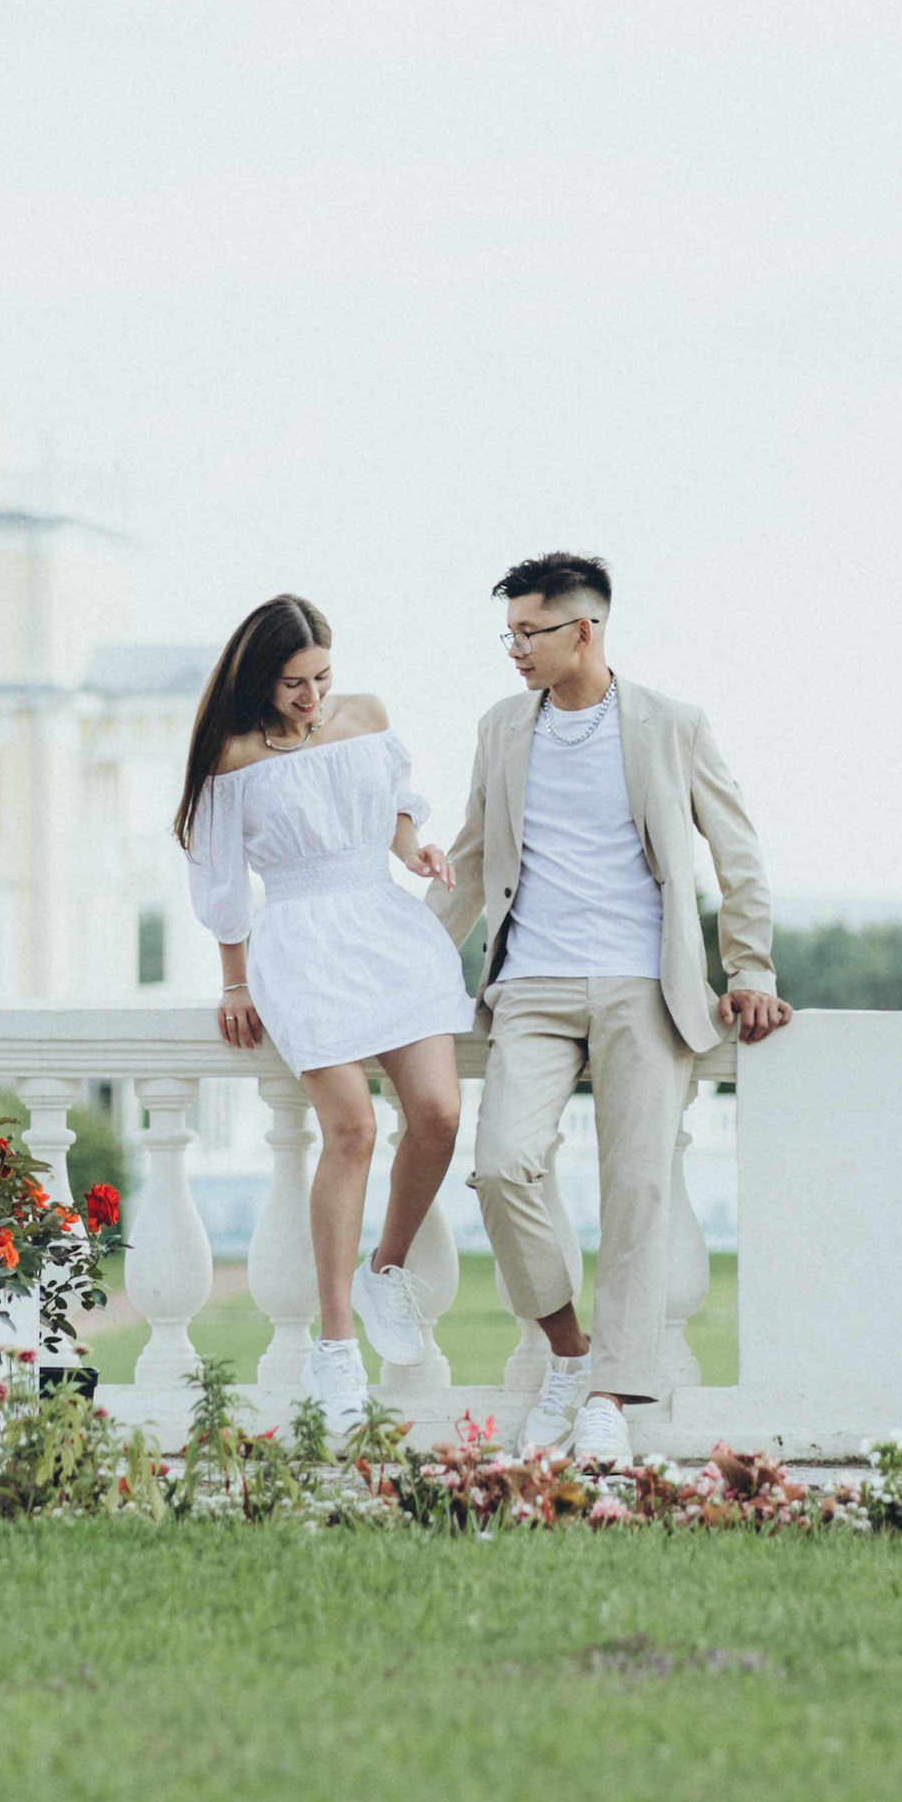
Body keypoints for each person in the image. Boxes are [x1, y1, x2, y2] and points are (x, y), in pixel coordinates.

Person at [431, 550, 789, 1467]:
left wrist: (750, 968)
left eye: (528, 632)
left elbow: (736, 852)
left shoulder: (673, 725)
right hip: (532, 986)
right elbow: (471, 863)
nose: (513, 649)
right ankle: (567, 1353)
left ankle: (611, 1396)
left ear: (583, 629)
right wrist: (409, 970)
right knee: (504, 1163)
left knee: (637, 1190)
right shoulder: (503, 728)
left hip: (645, 985)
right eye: (507, 633)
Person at [177, 593, 473, 1438]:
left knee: (440, 1114)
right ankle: (336, 1350)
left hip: (385, 923)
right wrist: (234, 981)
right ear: (256, 679)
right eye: (292, 683)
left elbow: (396, 805)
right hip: (301, 942)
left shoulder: (366, 716)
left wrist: (414, 846)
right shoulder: (232, 757)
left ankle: (389, 1266)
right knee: (351, 1130)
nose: (310, 697)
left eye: (321, 677)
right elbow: (222, 877)